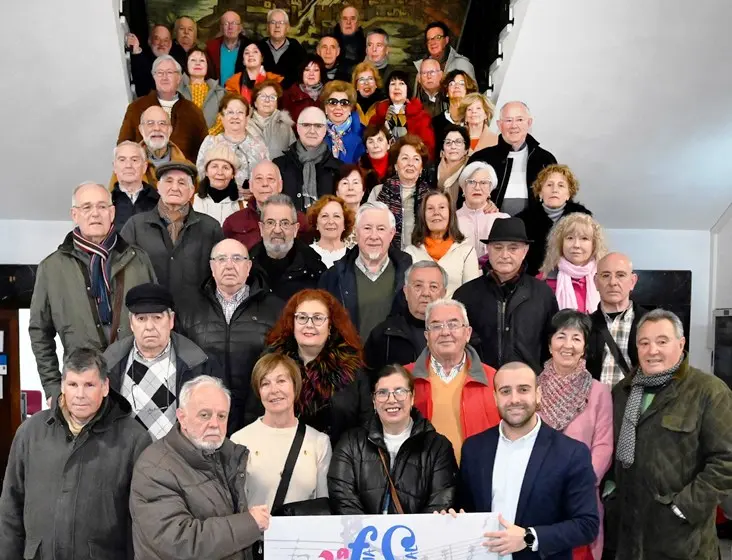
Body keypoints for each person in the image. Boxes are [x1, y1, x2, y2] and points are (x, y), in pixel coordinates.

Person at [0, 348, 151, 560]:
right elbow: (10, 507)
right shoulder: (30, 432)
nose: (80, 395)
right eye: (73, 385)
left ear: (105, 387)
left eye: (89, 385)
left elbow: (141, 521)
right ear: (62, 386)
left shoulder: (134, 439)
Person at [611, 309, 732, 559]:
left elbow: (726, 461)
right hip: (629, 537)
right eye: (644, 343)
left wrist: (684, 507)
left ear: (681, 343)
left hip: (685, 540)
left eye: (662, 341)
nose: (652, 350)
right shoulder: (623, 392)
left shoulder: (709, 392)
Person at [30, 182, 157, 404]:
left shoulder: (139, 260)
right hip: (82, 384)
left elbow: (158, 319)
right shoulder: (51, 268)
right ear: (75, 214)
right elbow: (40, 332)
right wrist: (52, 387)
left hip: (138, 379)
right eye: (87, 207)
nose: (95, 214)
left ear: (112, 212)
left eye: (101, 206)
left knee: (139, 439)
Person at [459, 362, 600, 558]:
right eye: (505, 391)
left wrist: (529, 537)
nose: (514, 399)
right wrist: (452, 520)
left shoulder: (571, 453)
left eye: (523, 390)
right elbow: (466, 510)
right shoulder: (473, 449)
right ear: (495, 397)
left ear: (538, 394)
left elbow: (587, 525)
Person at [130, 375, 269, 559]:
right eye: (204, 415)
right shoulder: (155, 467)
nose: (214, 424)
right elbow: (180, 542)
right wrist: (250, 524)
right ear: (182, 417)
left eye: (222, 416)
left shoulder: (228, 455)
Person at [176, 239, 284, 434]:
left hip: (259, 415)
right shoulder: (188, 309)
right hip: (205, 417)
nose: (229, 265)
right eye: (221, 259)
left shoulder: (274, 309)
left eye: (237, 259)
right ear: (211, 266)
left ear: (248, 266)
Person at [328, 364, 458, 513]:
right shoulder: (350, 443)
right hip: (363, 535)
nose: (391, 400)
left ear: (412, 397)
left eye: (399, 391)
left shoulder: (438, 447)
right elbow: (343, 500)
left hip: (419, 535)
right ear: (374, 400)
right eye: (382, 393)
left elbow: (441, 503)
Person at [538, 310, 613, 559]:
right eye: (561, 336)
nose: (568, 345)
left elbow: (603, 445)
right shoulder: (532, 388)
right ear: (550, 344)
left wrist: (580, 483)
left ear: (584, 347)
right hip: (538, 493)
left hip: (580, 496)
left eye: (576, 338)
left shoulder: (599, 391)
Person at [103, 283, 222, 440]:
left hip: (178, 459)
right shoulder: (109, 364)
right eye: (141, 319)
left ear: (171, 320)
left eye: (157, 318)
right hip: (127, 461)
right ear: (131, 323)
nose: (149, 327)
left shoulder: (200, 365)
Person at [264, 289, 373, 443]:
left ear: (330, 327)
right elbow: (254, 416)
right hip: (282, 457)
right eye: (302, 318)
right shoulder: (272, 364)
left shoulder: (352, 369)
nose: (309, 325)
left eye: (317, 318)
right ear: (292, 323)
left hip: (341, 460)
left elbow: (366, 422)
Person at [453, 218, 559, 372]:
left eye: (513, 248)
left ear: (525, 251)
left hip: (528, 384)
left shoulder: (542, 294)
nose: (504, 254)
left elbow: (552, 343)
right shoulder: (465, 295)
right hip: (479, 383)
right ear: (488, 249)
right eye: (498, 247)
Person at [231, 353, 332, 508]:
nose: (274, 390)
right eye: (265, 384)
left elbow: (323, 505)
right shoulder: (240, 440)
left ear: (295, 385)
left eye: (281, 381)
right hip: (255, 531)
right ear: (258, 391)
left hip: (302, 531)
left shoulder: (318, 442)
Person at [405, 298, 500, 463]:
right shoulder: (405, 378)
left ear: (468, 333)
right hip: (421, 481)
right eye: (436, 326)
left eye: (453, 324)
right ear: (427, 336)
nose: (445, 332)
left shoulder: (494, 379)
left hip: (477, 476)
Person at [121, 161, 224, 305]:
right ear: (158, 187)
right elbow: (121, 275)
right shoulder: (135, 226)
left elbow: (220, 276)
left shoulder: (210, 227)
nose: (175, 188)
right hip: (149, 316)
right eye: (169, 181)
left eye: (182, 183)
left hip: (198, 317)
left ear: (191, 190)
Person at [319, 202, 412, 341]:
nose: (373, 236)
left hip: (397, 362)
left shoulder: (409, 275)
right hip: (349, 361)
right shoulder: (332, 278)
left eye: (381, 229)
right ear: (356, 232)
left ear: (391, 234)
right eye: (367, 228)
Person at [469, 101, 558, 216]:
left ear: (529, 122)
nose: (514, 126)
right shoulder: (481, 158)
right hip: (491, 225)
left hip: (535, 228)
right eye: (508, 120)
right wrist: (482, 203)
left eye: (520, 120)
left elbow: (557, 197)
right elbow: (465, 196)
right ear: (499, 125)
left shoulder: (545, 160)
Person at [118, 55, 209, 163]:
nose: (164, 77)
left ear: (179, 78)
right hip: (144, 175)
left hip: (181, 175)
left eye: (170, 72)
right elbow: (123, 146)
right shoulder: (136, 107)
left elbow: (204, 151)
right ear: (154, 77)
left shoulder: (193, 111)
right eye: (160, 73)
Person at [364, 261, 447, 374]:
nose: (426, 293)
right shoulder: (384, 334)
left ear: (444, 294)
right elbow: (366, 383)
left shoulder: (457, 334)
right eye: (418, 286)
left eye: (433, 287)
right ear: (406, 292)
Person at [516, 163, 593, 276]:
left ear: (568, 194)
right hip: (533, 280)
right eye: (549, 185)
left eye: (561, 185)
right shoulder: (522, 220)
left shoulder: (583, 217)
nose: (554, 190)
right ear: (540, 192)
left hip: (574, 277)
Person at [249, 194, 326, 301]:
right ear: (261, 228)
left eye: (285, 223)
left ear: (295, 229)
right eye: (270, 223)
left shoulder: (314, 269)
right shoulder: (246, 268)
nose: (277, 230)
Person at [586, 252, 647, 387]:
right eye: (606, 275)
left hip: (635, 405)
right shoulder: (585, 325)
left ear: (632, 281)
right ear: (596, 282)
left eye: (620, 275)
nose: (613, 282)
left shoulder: (651, 324)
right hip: (595, 406)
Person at [405, 190, 480, 297]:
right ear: (423, 216)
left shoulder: (466, 251)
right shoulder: (410, 252)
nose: (436, 212)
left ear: (450, 213)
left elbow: (472, 295)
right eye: (430, 208)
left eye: (442, 207)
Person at [222, 160, 308, 249]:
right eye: (259, 179)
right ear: (251, 186)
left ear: (280, 185)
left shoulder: (300, 221)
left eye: (270, 179)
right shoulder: (233, 222)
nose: (265, 184)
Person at [368, 134, 433, 250]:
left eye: (416, 159)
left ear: (421, 168)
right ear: (396, 166)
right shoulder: (378, 191)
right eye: (405, 158)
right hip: (385, 256)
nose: (410, 163)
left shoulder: (430, 197)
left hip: (421, 258)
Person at [274, 107, 343, 212]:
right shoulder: (279, 166)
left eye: (318, 126)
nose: (312, 131)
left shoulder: (338, 169)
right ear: (297, 128)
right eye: (306, 125)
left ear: (325, 130)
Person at [196, 93, 270, 190]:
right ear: (221, 117)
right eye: (230, 112)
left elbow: (268, 175)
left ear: (247, 117)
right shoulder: (211, 142)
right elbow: (200, 176)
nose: (235, 117)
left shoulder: (259, 145)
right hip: (219, 201)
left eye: (240, 112)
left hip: (253, 201)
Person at [539, 213, 608, 314]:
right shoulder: (542, 281)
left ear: (594, 245)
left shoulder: (606, 280)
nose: (576, 245)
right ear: (560, 243)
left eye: (584, 238)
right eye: (570, 238)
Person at [115, 106, 188, 187]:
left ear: (170, 130)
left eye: (162, 123)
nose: (157, 128)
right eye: (150, 123)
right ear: (141, 130)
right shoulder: (125, 166)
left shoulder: (186, 167)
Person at [369, 70, 436, 158]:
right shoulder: (377, 117)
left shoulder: (421, 117)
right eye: (392, 84)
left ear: (408, 88)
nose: (397, 87)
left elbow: (428, 148)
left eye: (401, 83)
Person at [456, 161, 510, 261]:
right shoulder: (452, 220)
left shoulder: (503, 220)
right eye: (471, 182)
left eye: (484, 183)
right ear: (463, 188)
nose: (477, 187)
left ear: (490, 189)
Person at [111, 140, 159, 231]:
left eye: (134, 160)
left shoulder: (160, 202)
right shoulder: (106, 203)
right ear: (114, 167)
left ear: (144, 167)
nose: (128, 165)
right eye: (122, 160)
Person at [193, 143, 244, 225]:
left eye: (225, 168)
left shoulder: (242, 207)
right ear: (206, 172)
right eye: (214, 166)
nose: (220, 172)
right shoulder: (192, 202)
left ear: (233, 174)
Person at [178, 47, 226, 133]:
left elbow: (223, 119)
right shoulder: (176, 91)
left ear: (208, 65)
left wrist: (206, 139)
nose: (197, 63)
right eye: (193, 60)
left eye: (202, 60)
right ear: (186, 64)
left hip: (213, 143)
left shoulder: (220, 93)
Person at [247, 79, 296, 160]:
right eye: (263, 96)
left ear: (277, 103)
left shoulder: (285, 126)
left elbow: (293, 156)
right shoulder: (245, 125)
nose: (267, 100)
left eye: (272, 97)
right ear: (255, 103)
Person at [258, 9, 306, 90]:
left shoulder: (298, 50)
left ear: (287, 27)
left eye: (281, 23)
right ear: (267, 27)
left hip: (290, 99)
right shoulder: (257, 49)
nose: (277, 26)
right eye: (273, 22)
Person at [431, 70, 480, 150]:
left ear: (468, 91)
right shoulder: (435, 123)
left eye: (462, 83)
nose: (457, 86)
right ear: (447, 92)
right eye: (452, 83)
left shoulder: (475, 120)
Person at [321, 80, 365, 164]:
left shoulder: (363, 133)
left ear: (350, 108)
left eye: (344, 103)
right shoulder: (316, 132)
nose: (338, 107)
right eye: (333, 102)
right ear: (325, 108)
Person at [307, 195, 355, 268]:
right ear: (316, 223)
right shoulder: (303, 255)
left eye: (336, 216)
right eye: (324, 216)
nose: (331, 221)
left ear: (345, 224)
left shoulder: (354, 259)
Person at [127, 24, 172, 97]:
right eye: (157, 39)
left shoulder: (177, 66)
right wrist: (136, 51)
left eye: (165, 40)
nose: (161, 43)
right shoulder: (141, 60)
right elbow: (144, 89)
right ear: (149, 41)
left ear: (170, 44)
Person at [281, 54, 327, 125]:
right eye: (307, 69)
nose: (311, 74)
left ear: (321, 73)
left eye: (316, 70)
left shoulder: (328, 95)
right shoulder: (288, 95)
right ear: (301, 72)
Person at [206, 10, 248, 84]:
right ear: (221, 28)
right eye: (226, 24)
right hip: (216, 93)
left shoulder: (250, 47)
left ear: (240, 28)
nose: (230, 27)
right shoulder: (211, 48)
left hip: (241, 94)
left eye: (234, 23)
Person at [335, 164, 367, 248]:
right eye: (345, 183)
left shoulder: (371, 220)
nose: (350, 188)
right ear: (337, 192)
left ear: (363, 191)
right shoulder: (331, 221)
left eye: (355, 182)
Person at [436, 124, 470, 199]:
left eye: (458, 142)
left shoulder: (471, 170)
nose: (453, 147)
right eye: (448, 142)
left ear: (466, 150)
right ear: (443, 150)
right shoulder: (432, 169)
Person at [331, 5, 366, 76]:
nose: (348, 22)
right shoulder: (329, 44)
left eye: (352, 18)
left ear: (358, 22)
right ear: (339, 22)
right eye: (345, 18)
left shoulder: (368, 46)